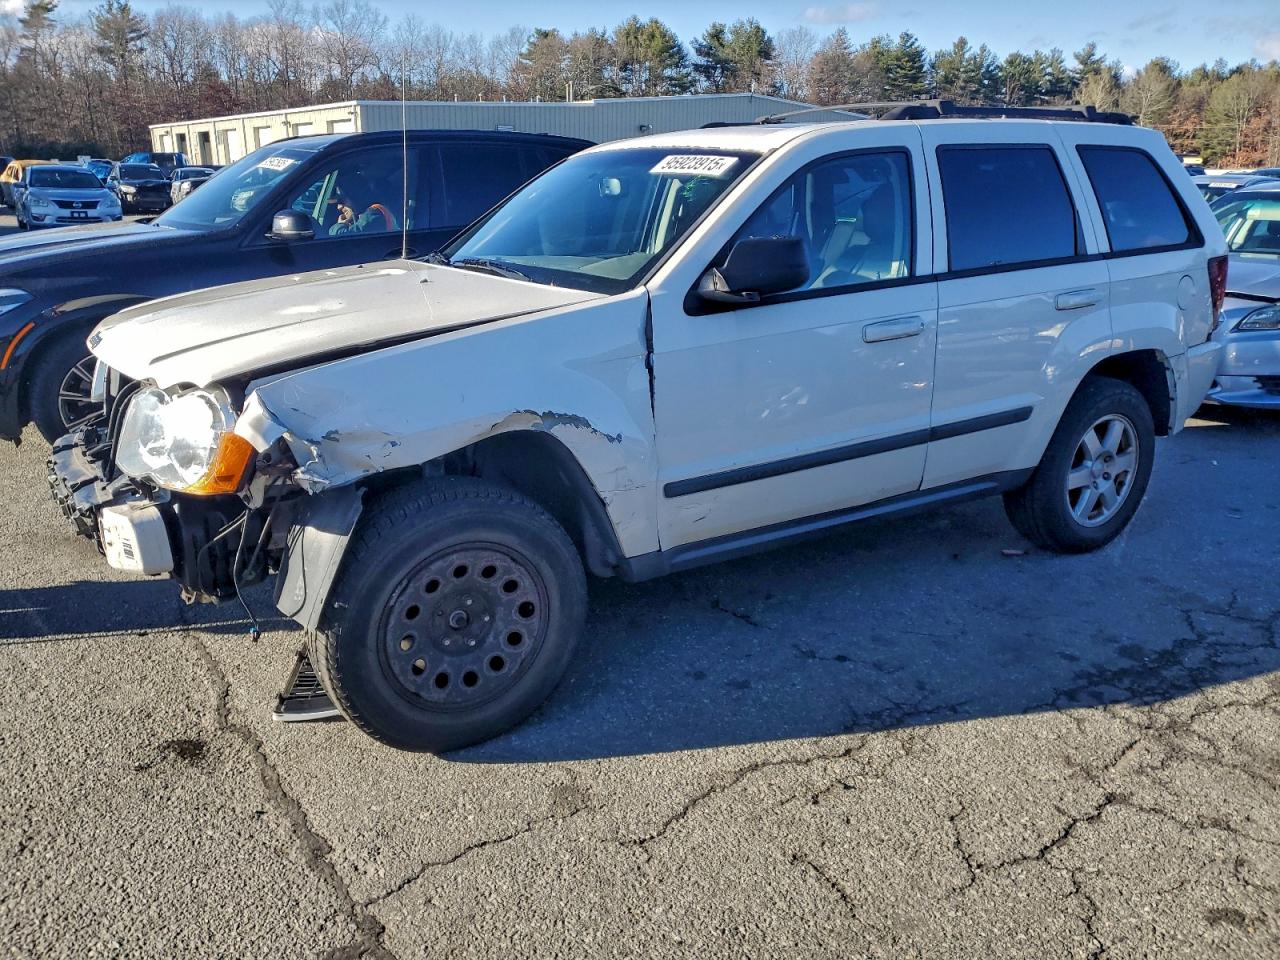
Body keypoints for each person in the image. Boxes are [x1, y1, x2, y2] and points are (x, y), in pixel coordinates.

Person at [329, 176, 396, 236]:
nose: (339, 207)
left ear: (355, 197)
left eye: (342, 200)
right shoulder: (364, 216)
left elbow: (346, 236)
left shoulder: (373, 213)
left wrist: (340, 225)